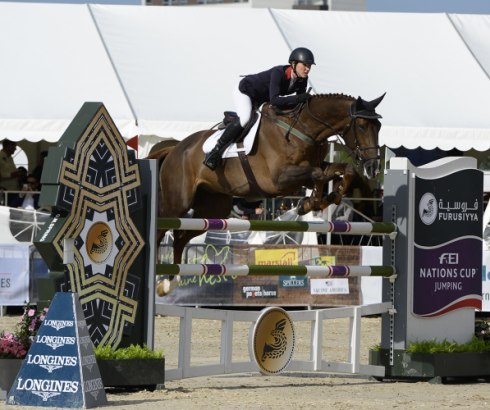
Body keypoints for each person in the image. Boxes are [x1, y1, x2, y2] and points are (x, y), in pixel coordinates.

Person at [203, 47, 315, 171]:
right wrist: (297, 99)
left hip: (261, 100)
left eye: (309, 66)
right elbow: (275, 100)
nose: (307, 69)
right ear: (293, 64)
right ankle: (215, 153)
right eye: (304, 65)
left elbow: (299, 102)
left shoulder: (302, 79)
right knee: (245, 118)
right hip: (245, 92)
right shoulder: (279, 73)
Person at [0, 139, 21, 205]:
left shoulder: (10, 158)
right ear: (9, 146)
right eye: (14, 146)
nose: (15, 149)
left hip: (14, 190)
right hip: (5, 190)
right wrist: (10, 175)